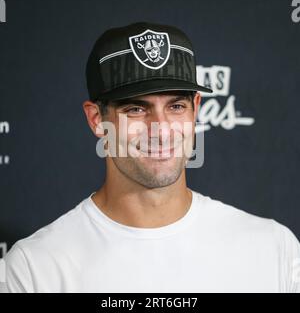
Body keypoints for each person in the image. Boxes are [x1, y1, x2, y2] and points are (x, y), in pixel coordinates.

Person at [2, 22, 300, 293]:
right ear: (96, 119)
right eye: (136, 109)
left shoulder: (274, 250)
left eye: (176, 107)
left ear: (196, 108)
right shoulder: (35, 270)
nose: (161, 130)